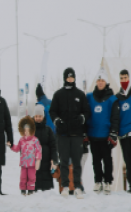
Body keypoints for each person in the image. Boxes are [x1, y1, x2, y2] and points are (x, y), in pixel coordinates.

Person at [50, 68, 91, 198]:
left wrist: (82, 118)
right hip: (62, 135)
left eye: (72, 77)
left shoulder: (80, 94)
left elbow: (87, 111)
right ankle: (65, 187)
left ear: (74, 78)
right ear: (64, 78)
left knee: (77, 162)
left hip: (76, 135)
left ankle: (78, 187)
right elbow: (52, 111)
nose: (70, 79)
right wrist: (57, 121)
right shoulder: (58, 94)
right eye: (68, 77)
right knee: (63, 162)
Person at [87, 70, 120, 195]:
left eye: (102, 80)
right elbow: (86, 113)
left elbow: (115, 117)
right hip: (93, 134)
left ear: (106, 82)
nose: (100, 82)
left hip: (106, 135)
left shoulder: (112, 99)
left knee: (107, 159)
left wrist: (113, 133)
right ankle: (98, 181)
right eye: (98, 80)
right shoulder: (89, 97)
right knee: (95, 160)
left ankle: (107, 181)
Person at [11, 116, 42, 196]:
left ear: (31, 130)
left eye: (28, 131)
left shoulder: (35, 140)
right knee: (23, 177)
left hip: (32, 163)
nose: (26, 133)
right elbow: (17, 148)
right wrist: (11, 146)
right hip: (24, 163)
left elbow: (38, 150)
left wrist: (38, 160)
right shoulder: (21, 140)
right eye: (25, 131)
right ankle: (23, 189)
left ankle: (31, 190)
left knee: (31, 177)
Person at [33, 106, 58, 192]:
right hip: (34, 160)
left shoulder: (48, 130)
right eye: (36, 116)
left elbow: (53, 146)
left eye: (40, 116)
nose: (38, 118)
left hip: (46, 160)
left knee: (47, 190)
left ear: (43, 117)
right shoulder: (31, 130)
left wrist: (54, 159)